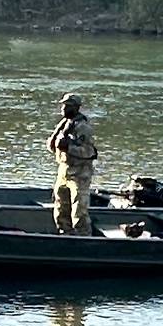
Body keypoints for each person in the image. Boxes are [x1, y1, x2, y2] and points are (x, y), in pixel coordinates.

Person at [46, 93, 97, 236]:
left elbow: (89, 152)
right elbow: (53, 147)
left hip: (80, 173)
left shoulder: (83, 127)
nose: (63, 108)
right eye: (63, 105)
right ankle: (65, 234)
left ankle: (84, 237)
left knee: (79, 211)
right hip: (64, 171)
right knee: (61, 208)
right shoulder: (63, 125)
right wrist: (54, 143)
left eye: (67, 106)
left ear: (76, 108)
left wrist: (69, 147)